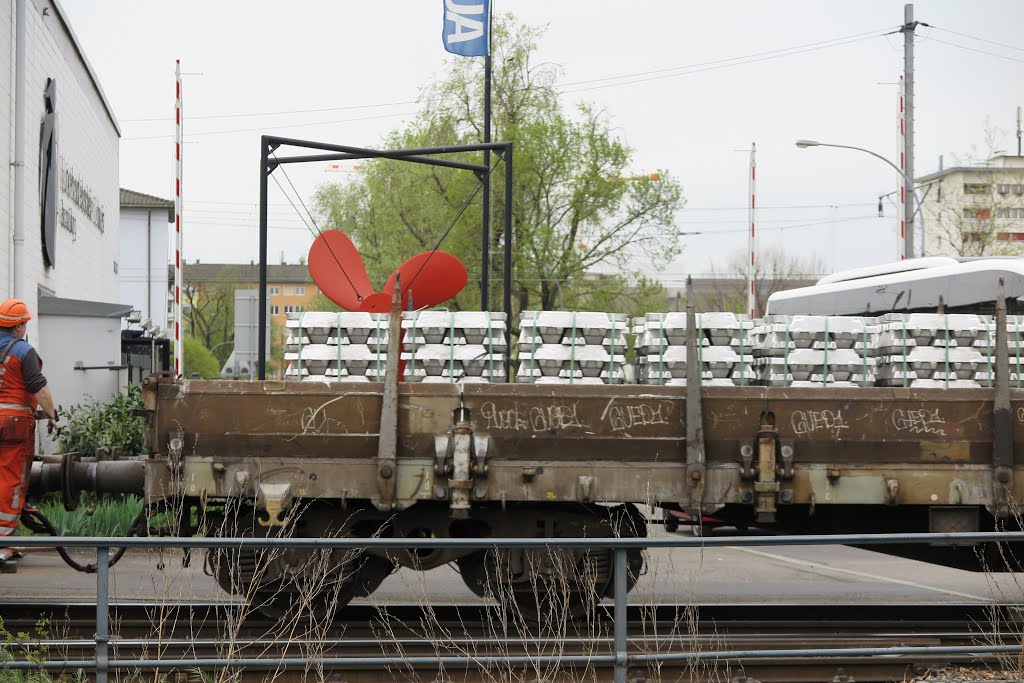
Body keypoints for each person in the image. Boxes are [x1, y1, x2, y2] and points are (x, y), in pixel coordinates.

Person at [0, 298, 57, 544]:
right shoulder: (24, 351)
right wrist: (54, 417)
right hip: (14, 424)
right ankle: (4, 540)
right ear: (19, 327)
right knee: (11, 478)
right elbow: (39, 389)